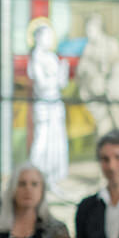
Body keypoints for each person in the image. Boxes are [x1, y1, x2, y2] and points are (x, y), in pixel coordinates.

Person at [75, 12, 119, 139]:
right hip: (100, 100)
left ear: (99, 28)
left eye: (91, 29)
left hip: (116, 97)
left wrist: (108, 85)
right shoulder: (88, 49)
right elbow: (82, 72)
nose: (88, 32)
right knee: (104, 133)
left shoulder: (112, 44)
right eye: (87, 29)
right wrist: (94, 79)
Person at [26, 21, 69, 188]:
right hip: (44, 104)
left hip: (55, 103)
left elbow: (61, 84)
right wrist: (55, 77)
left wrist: (62, 72)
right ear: (38, 37)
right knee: (41, 141)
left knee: (55, 142)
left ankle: (51, 179)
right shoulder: (36, 58)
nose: (50, 40)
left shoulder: (52, 56)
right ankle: (31, 175)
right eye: (47, 36)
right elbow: (42, 84)